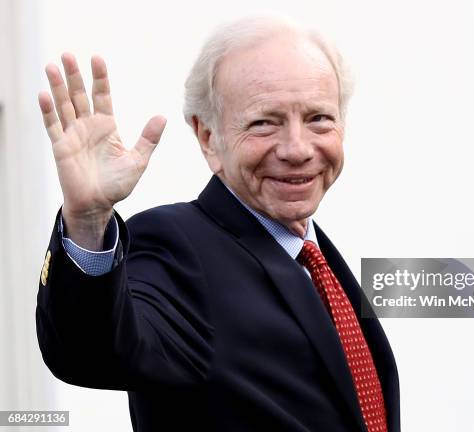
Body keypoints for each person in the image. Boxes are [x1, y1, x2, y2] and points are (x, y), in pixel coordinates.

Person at [36, 16, 400, 432]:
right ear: (209, 137)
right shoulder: (178, 247)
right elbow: (91, 350)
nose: (297, 148)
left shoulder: (320, 260)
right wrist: (87, 220)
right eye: (265, 122)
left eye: (319, 118)